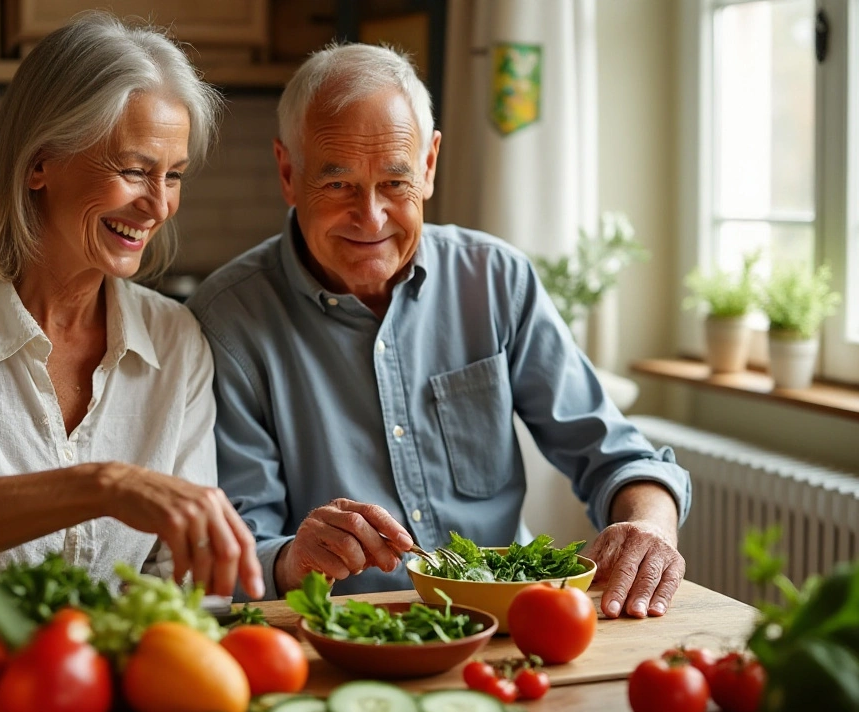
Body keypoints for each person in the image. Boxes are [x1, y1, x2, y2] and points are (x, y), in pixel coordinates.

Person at [186, 44, 690, 617]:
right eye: (338, 185)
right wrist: (292, 558)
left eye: (395, 183)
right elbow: (240, 550)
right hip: (349, 634)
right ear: (287, 172)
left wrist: (649, 525)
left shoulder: (495, 278)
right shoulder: (228, 321)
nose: (371, 218)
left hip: (513, 622)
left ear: (428, 165)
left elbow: (615, 456)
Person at [0, 12, 264, 600]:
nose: (158, 206)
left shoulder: (174, 340)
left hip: (108, 682)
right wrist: (101, 485)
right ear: (40, 161)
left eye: (173, 176)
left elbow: (187, 584)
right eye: (134, 170)